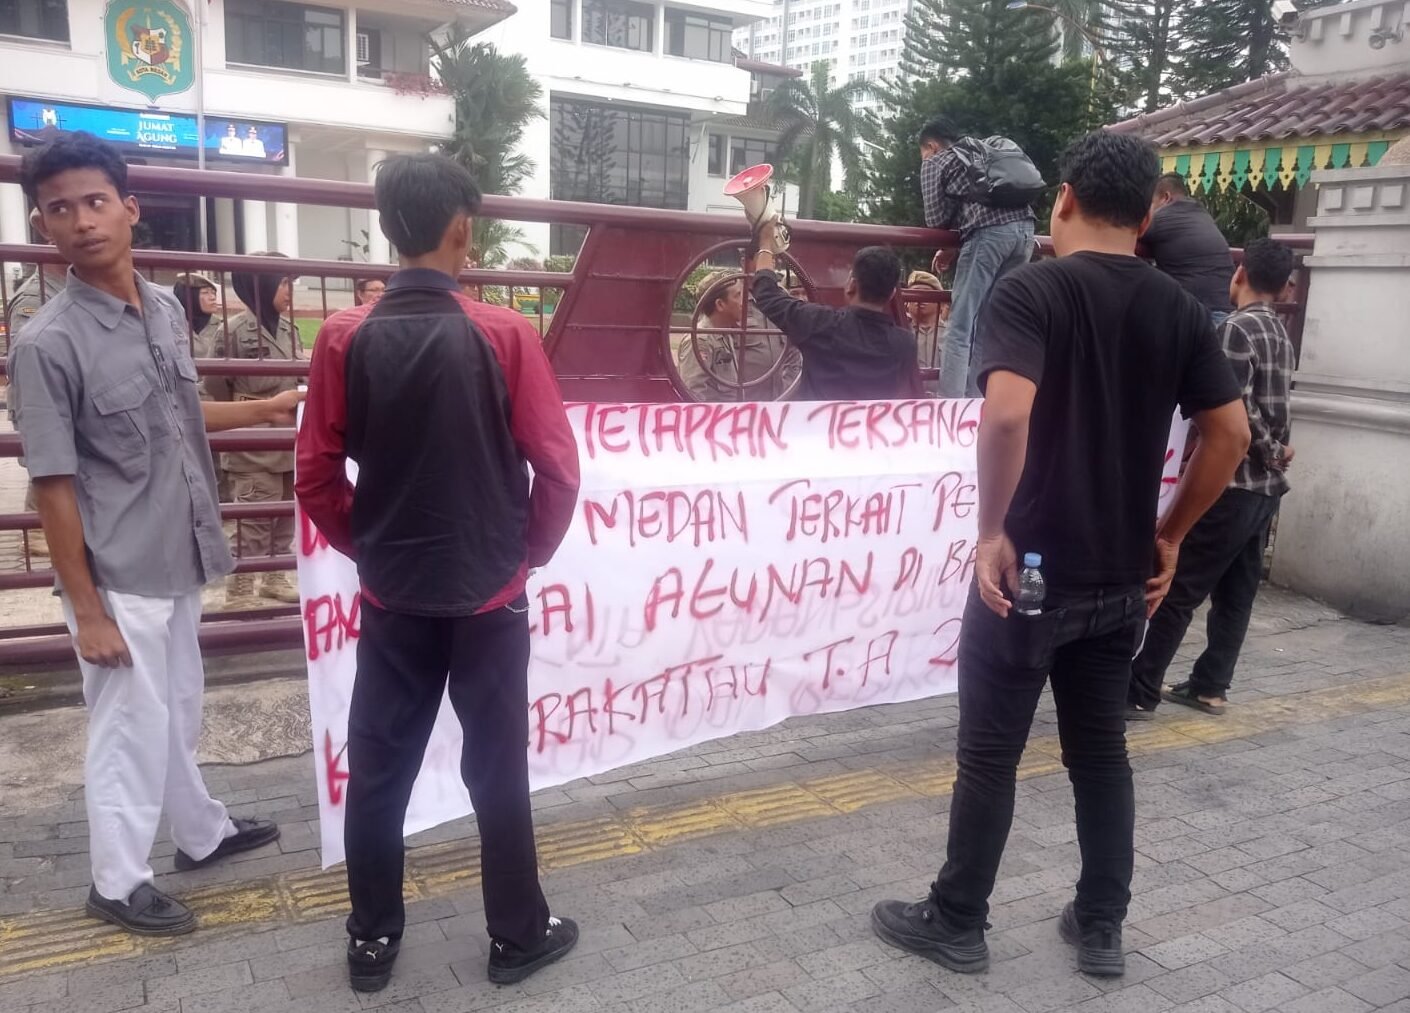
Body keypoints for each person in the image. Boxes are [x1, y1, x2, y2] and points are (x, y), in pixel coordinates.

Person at [870, 132, 1251, 979]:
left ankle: (958, 918)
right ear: (1146, 216)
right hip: (1121, 577)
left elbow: (1007, 415)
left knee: (990, 753)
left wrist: (992, 531)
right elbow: (1229, 434)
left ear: (1065, 199)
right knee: (1101, 754)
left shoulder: (1031, 290)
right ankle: (1102, 925)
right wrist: (1169, 534)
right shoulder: (1178, 308)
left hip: (1028, 574)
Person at [297, 152, 581, 994]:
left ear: (389, 228)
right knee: (496, 767)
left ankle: (372, 938)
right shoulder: (505, 333)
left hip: (393, 592)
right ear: (463, 228)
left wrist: (368, 543)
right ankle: (517, 935)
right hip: (491, 591)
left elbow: (314, 475)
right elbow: (558, 469)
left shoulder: (342, 336)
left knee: (378, 767)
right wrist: (527, 551)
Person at [8, 132, 297, 936]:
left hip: (180, 549)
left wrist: (267, 407)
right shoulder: (47, 344)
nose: (82, 221)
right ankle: (117, 881)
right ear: (43, 225)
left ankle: (200, 832)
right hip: (118, 570)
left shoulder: (166, 308)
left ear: (129, 208)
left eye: (95, 201)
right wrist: (86, 608)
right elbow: (53, 484)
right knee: (128, 727)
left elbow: (182, 412)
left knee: (176, 705)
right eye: (60, 209)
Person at [1128, 239, 1297, 719]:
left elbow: (1236, 414)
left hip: (1233, 482)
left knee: (1179, 588)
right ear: (1285, 288)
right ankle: (1210, 685)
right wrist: (1277, 453)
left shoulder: (1235, 330)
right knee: (1236, 595)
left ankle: (1139, 688)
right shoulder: (1280, 332)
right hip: (1264, 492)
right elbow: (1274, 406)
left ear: (1238, 274)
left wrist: (1269, 452)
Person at [204, 254, 301, 608]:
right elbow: (214, 388)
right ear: (260, 285)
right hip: (252, 442)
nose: (289, 290)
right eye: (283, 282)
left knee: (285, 517)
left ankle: (274, 577)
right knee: (253, 522)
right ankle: (240, 590)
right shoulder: (232, 332)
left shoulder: (289, 330)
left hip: (286, 440)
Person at [919, 117, 1036, 397]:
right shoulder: (983, 152)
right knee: (987, 325)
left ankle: (951, 405)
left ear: (931, 145)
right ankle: (977, 401)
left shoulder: (937, 161)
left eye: (922, 152)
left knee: (959, 326)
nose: (923, 158)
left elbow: (935, 220)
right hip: (1025, 234)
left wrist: (950, 240)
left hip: (988, 236)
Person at [750, 225, 922, 401]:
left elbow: (767, 294)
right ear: (892, 294)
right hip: (870, 420)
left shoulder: (820, 324)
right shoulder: (905, 344)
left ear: (851, 285)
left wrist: (765, 243)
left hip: (818, 418)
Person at [5, 259, 68, 556]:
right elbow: (26, 356)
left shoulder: (64, 288)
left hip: (60, 394)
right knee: (45, 463)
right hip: (40, 397)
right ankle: (35, 531)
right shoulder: (35, 295)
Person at [677, 270, 791, 401]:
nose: (744, 301)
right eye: (738, 295)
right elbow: (692, 395)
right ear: (720, 304)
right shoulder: (700, 341)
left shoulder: (725, 333)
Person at [1142, 174, 1235, 322]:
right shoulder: (1201, 214)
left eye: (1151, 203)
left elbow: (1122, 232)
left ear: (1166, 197)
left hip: (1202, 316)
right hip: (1226, 313)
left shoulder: (1165, 216)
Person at [173, 272, 231, 502]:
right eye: (205, 293)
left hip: (217, 404)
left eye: (214, 293)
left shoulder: (223, 327)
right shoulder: (172, 325)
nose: (212, 298)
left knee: (220, 464)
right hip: (184, 404)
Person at [905, 269, 949, 396]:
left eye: (926, 294)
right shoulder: (902, 332)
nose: (919, 300)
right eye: (914, 294)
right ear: (906, 303)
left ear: (941, 303)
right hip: (908, 401)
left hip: (945, 400)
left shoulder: (951, 335)